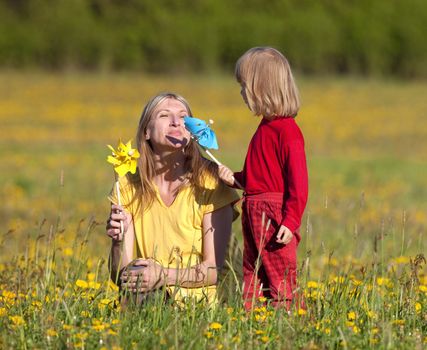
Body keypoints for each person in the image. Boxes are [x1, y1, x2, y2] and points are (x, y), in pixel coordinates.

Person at [106, 92, 239, 305]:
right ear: (146, 132)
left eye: (183, 116)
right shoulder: (127, 186)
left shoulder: (210, 181)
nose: (177, 122)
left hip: (199, 302)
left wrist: (163, 275)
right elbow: (119, 277)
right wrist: (117, 241)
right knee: (138, 281)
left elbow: (214, 270)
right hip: (147, 294)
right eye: (164, 116)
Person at [218, 47, 308, 310]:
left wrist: (290, 222)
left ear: (262, 88)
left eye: (244, 86)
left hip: (273, 213)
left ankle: (291, 321)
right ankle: (253, 323)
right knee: (253, 272)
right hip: (253, 209)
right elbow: (257, 176)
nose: (242, 93)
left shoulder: (287, 132)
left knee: (280, 278)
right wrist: (233, 179)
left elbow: (298, 186)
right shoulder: (264, 128)